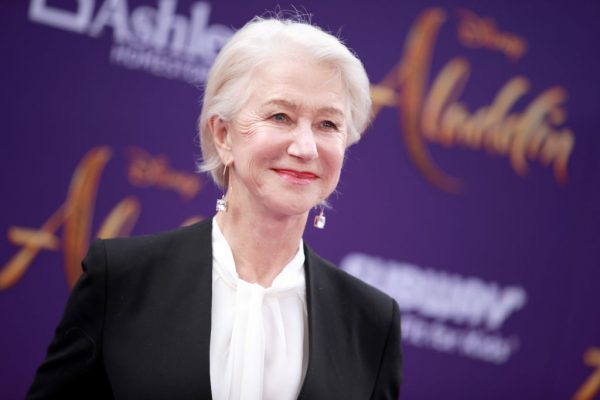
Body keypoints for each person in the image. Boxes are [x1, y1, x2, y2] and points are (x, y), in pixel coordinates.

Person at [27, 15, 402, 400]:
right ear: (223, 135)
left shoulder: (372, 323)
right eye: (280, 116)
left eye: (328, 124)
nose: (306, 148)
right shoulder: (121, 278)